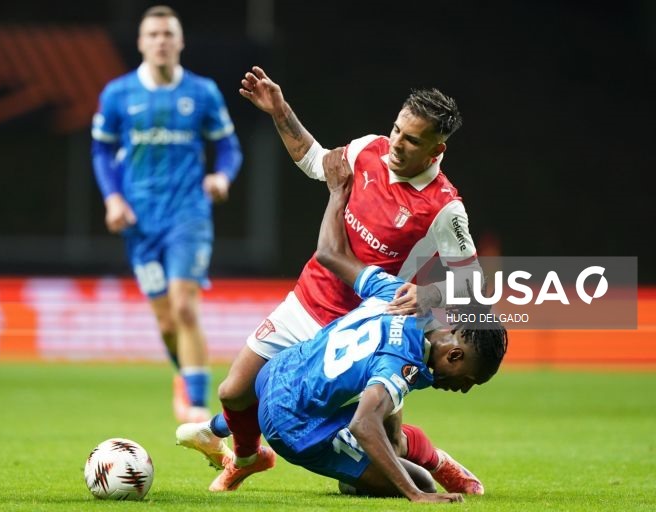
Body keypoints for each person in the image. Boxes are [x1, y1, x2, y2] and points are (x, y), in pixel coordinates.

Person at [177, 67, 483, 491]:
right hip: (309, 300)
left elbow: (472, 282)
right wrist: (280, 111)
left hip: (366, 322)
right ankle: (248, 458)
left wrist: (429, 294)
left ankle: (440, 463)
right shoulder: (368, 150)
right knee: (233, 392)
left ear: (436, 150)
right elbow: (316, 161)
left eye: (412, 139)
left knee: (386, 434)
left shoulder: (444, 207)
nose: (396, 143)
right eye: (397, 129)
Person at [254, 158, 508, 502]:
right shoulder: (401, 362)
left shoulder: (399, 294)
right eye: (468, 380)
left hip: (275, 371)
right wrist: (415, 495)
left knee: (389, 429)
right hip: (294, 424)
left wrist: (335, 195)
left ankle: (392, 452)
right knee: (417, 480)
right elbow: (363, 423)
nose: (462, 389)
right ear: (456, 353)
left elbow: (329, 254)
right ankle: (367, 475)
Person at [91, 5, 242, 423]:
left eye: (167, 34)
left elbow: (229, 146)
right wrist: (113, 199)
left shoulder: (203, 92)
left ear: (180, 42)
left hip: (188, 215)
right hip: (139, 223)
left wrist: (222, 177)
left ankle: (197, 407)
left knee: (185, 306)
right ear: (141, 42)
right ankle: (185, 376)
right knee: (166, 321)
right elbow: (102, 151)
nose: (160, 41)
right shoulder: (118, 94)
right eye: (153, 34)